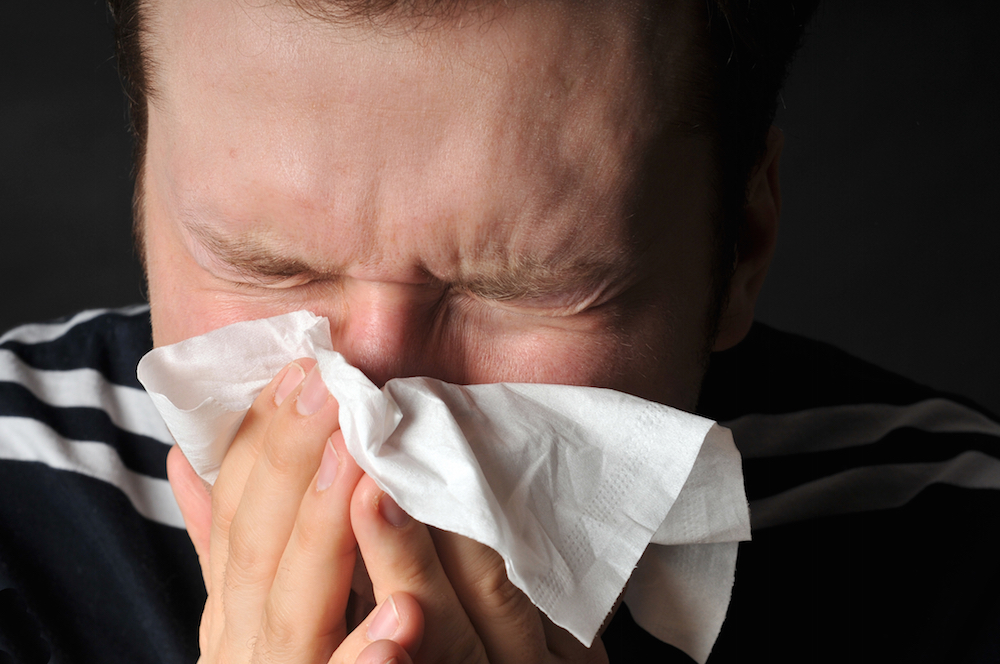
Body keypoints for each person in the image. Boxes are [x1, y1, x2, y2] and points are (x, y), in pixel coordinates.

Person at [1, 1, 998, 662]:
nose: (375, 399)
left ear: (741, 243)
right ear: (145, 195)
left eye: (521, 287)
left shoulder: (958, 555)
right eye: (267, 264)